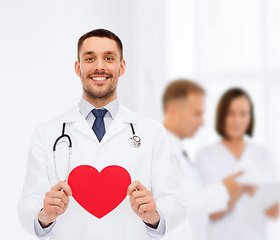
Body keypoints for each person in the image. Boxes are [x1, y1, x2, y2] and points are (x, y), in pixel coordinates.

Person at [18, 29, 186, 240]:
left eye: (108, 58)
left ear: (121, 67)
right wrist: (44, 215)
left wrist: (154, 216)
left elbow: (175, 201)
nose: (99, 66)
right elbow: (27, 204)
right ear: (78, 68)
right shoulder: (46, 132)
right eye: (90, 58)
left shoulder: (152, 132)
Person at [161, 80, 245, 240]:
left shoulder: (180, 151)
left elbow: (196, 203)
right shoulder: (159, 150)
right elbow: (176, 208)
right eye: (197, 114)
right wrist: (224, 188)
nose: (202, 122)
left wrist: (230, 195)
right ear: (173, 111)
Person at [196, 88, 280, 240]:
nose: (237, 120)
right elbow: (211, 213)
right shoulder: (205, 156)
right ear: (222, 116)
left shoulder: (265, 156)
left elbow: (274, 213)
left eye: (243, 114)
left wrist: (267, 203)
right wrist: (241, 189)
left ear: (250, 117)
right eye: (231, 113)